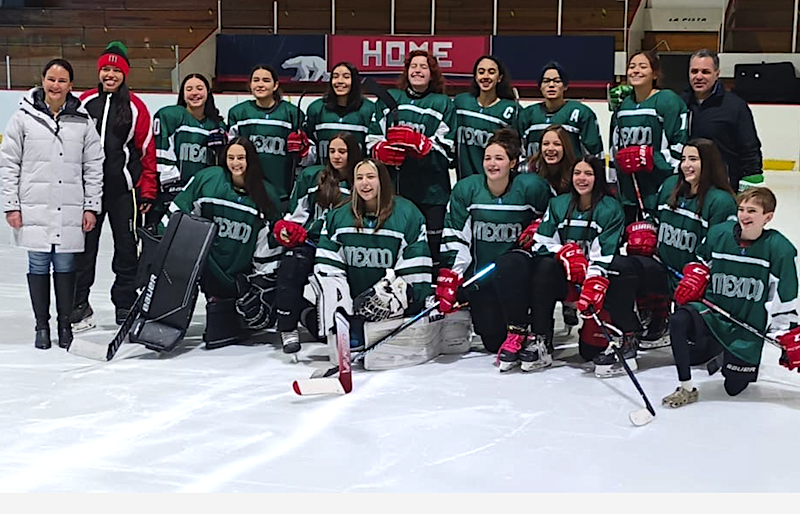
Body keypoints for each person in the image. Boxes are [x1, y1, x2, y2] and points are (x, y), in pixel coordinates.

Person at [663, 187, 799, 408]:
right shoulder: (720, 234)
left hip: (746, 327)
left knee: (734, 388)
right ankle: (686, 387)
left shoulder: (780, 249)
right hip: (712, 313)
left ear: (768, 217)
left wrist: (785, 331)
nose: (744, 215)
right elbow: (700, 260)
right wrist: (696, 275)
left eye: (752, 211)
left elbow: (786, 295)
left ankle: (719, 350)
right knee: (679, 320)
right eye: (741, 209)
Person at [0, 58, 104, 350]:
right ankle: (41, 326)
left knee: (65, 264)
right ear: (42, 80)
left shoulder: (82, 121)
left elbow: (93, 165)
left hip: (70, 206)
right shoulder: (23, 117)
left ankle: (64, 325)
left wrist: (90, 206)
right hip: (34, 205)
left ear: (71, 85)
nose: (55, 85)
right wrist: (11, 204)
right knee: (38, 263)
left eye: (62, 81)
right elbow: (9, 163)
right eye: (51, 79)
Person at [605, 138, 737, 351]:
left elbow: (722, 248)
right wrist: (646, 230)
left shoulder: (721, 201)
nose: (686, 165)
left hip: (696, 280)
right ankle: (636, 328)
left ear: (709, 163)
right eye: (684, 159)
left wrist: (701, 272)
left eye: (693, 159)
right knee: (619, 266)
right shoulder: (670, 186)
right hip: (662, 268)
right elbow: (655, 219)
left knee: (698, 349)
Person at [496, 156, 625, 375]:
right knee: (543, 267)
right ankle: (542, 339)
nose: (581, 178)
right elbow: (540, 243)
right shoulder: (558, 204)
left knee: (589, 352)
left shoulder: (611, 209)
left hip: (593, 282)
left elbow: (606, 253)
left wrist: (589, 275)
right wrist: (564, 253)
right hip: (560, 277)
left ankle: (618, 334)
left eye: (588, 174)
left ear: (598, 178)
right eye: (577, 173)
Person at [437, 128, 550, 358]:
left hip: (517, 277)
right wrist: (454, 274)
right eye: (488, 158)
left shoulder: (532, 188)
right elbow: (455, 234)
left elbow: (552, 219)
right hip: (483, 278)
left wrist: (539, 227)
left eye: (499, 158)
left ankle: (533, 330)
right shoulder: (467, 189)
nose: (492, 163)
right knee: (492, 341)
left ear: (513, 163)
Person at [158, 137, 280, 348]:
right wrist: (162, 248)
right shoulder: (208, 179)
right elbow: (179, 213)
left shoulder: (266, 194)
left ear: (251, 160)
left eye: (241, 158)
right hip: (206, 268)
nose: (235, 163)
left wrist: (261, 285)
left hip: (237, 280)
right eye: (231, 157)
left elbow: (267, 244)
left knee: (219, 335)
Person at [72, 41, 157, 331]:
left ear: (124, 74)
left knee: (126, 247)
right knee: (84, 248)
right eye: (105, 69)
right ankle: (79, 303)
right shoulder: (83, 103)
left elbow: (146, 150)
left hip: (123, 190)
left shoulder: (136, 107)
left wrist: (147, 189)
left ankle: (124, 301)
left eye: (115, 70)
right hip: (88, 192)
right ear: (99, 72)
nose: (110, 74)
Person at [314, 158, 433, 348]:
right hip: (352, 304)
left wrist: (396, 296)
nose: (365, 183)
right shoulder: (338, 216)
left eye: (371, 177)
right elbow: (328, 267)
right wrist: (342, 307)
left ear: (383, 181)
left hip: (391, 306)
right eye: (359, 178)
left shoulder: (408, 214)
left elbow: (415, 270)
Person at [272, 132, 361, 354]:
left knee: (326, 334)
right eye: (332, 151)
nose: (336, 156)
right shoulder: (313, 177)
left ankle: (314, 316)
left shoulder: (362, 180)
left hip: (344, 248)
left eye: (342, 151)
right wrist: (289, 229)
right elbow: (298, 214)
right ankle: (287, 327)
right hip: (313, 243)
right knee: (291, 266)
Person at [367, 49, 455, 270]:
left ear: (432, 73)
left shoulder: (443, 103)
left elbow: (449, 150)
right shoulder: (390, 99)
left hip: (432, 192)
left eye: (424, 66)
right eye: (413, 66)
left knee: (432, 249)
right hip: (396, 188)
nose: (418, 70)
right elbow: (371, 139)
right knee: (397, 245)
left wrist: (423, 145)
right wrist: (381, 150)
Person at [609, 51, 688, 224]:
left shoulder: (668, 100)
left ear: (655, 73)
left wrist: (652, 157)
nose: (636, 70)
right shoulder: (622, 106)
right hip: (629, 193)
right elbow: (614, 148)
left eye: (643, 66)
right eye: (631, 66)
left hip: (659, 188)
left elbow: (680, 145)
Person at [681, 49, 763, 192]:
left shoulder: (735, 107)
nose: (698, 77)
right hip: (689, 184)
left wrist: (749, 187)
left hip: (723, 186)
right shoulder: (680, 103)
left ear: (717, 74)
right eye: (694, 71)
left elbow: (749, 149)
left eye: (705, 72)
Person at [228, 65, 309, 207]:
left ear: (275, 85)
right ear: (250, 84)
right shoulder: (238, 113)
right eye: (256, 80)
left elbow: (307, 157)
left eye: (266, 80)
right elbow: (229, 153)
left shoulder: (292, 113)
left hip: (282, 193)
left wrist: (303, 151)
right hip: (247, 192)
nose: (260, 84)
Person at [152, 73, 226, 222]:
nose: (194, 93)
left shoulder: (217, 125)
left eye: (199, 88)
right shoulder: (170, 115)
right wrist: (171, 184)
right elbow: (161, 150)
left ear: (207, 92)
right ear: (183, 94)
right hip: (169, 194)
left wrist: (222, 149)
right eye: (189, 89)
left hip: (201, 195)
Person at [526, 124, 579, 329]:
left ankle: (570, 301)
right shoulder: (527, 169)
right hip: (535, 233)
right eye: (545, 143)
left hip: (564, 232)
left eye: (557, 144)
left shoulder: (576, 173)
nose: (550, 148)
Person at [453, 55, 520, 179]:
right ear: (475, 76)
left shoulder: (511, 110)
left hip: (498, 184)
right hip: (465, 182)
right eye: (481, 72)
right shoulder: (461, 103)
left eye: (491, 72)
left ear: (499, 78)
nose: (485, 76)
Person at [519, 61, 603, 159]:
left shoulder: (581, 113)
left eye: (557, 81)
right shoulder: (527, 115)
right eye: (546, 81)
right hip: (536, 172)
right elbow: (519, 151)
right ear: (540, 86)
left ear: (565, 86)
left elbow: (593, 152)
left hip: (570, 172)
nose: (551, 85)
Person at [303, 62, 374, 166]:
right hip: (324, 176)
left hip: (357, 177)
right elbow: (310, 152)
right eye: (335, 77)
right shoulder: (316, 109)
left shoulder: (369, 109)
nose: (340, 81)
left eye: (346, 77)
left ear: (355, 81)